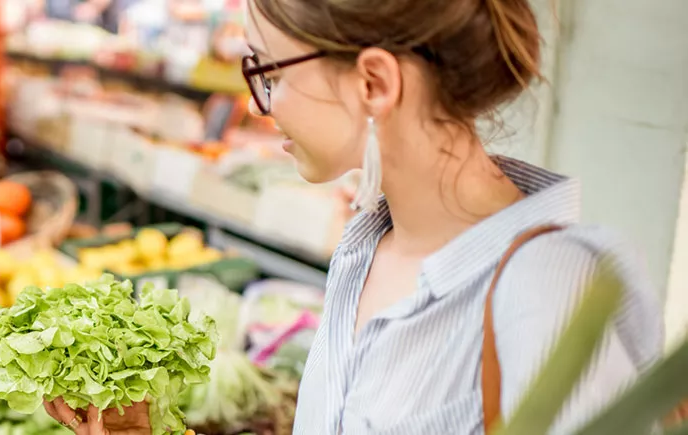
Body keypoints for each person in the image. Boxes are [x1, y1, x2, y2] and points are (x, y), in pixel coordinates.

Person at [45, 0, 665, 433]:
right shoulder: (369, 246)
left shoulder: (554, 290)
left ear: (373, 83)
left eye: (265, 70)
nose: (260, 106)